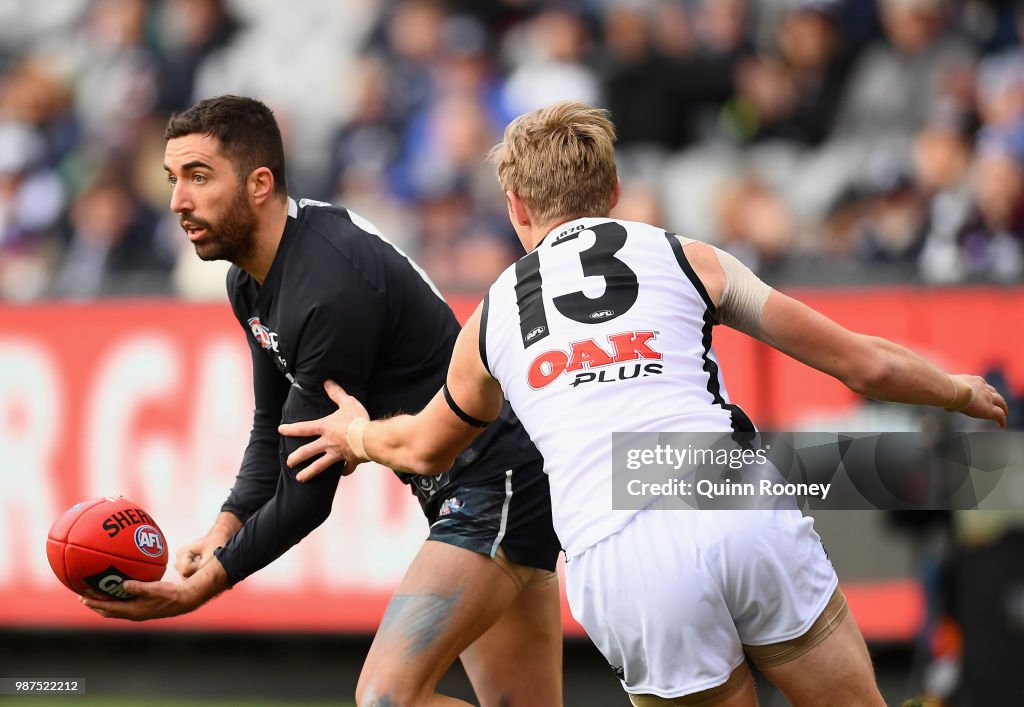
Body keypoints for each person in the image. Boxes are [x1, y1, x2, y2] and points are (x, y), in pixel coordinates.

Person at [279, 101, 1009, 707]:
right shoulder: (689, 256)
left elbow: (426, 449)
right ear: (614, 186)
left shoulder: (496, 313)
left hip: (618, 542)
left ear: (515, 206)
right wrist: (957, 390)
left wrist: (359, 434)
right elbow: (862, 362)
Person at [81, 95, 564, 707]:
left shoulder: (326, 287)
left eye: (199, 177)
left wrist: (199, 591)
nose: (178, 200)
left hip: (497, 484)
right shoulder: (251, 276)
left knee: (388, 699)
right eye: (173, 179)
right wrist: (226, 526)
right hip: (480, 484)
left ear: (260, 184)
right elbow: (271, 430)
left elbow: (307, 494)